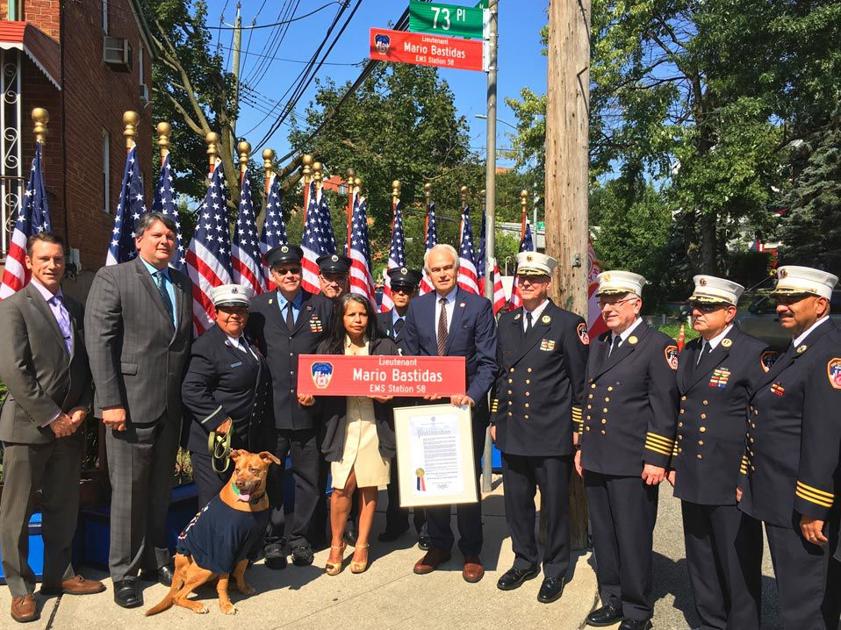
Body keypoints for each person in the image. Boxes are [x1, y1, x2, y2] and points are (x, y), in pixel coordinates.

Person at [85, 212, 193, 609]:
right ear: (139, 239)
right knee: (129, 494)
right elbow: (99, 343)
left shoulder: (180, 282)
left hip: (169, 408)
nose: (165, 241)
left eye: (171, 235)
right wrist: (110, 401)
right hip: (128, 407)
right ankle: (124, 573)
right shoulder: (113, 278)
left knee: (159, 491)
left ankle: (154, 558)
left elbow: (179, 345)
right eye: (157, 235)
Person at [0, 233, 105, 623]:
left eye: (58, 259)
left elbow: (83, 365)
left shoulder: (75, 308)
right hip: (29, 427)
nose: (51, 265)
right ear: (29, 262)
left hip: (70, 427)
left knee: (64, 506)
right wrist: (52, 416)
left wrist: (80, 408)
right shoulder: (13, 307)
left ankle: (59, 575)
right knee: (17, 512)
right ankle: (21, 588)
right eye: (43, 258)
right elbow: (15, 371)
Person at [737, 265, 841, 628]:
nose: (782, 306)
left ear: (820, 305)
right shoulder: (799, 347)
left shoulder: (828, 353)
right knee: (800, 594)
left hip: (801, 504)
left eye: (792, 299)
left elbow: (825, 434)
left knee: (803, 603)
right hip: (781, 495)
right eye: (780, 299)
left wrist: (814, 506)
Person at [575, 270, 679, 630]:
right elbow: (588, 398)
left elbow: (664, 408)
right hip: (599, 456)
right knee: (603, 536)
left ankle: (637, 611)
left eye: (617, 301)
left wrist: (657, 458)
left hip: (633, 461)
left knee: (633, 538)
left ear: (637, 303)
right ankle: (613, 598)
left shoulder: (656, 345)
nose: (608, 307)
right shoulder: (601, 344)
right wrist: (582, 447)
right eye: (604, 301)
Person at [668, 275, 767, 630]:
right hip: (693, 471)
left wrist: (747, 473)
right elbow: (683, 409)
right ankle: (710, 622)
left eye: (707, 307)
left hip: (729, 475)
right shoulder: (692, 351)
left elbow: (761, 421)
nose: (697, 312)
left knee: (736, 561)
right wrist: (674, 460)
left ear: (730, 312)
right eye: (695, 305)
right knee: (701, 558)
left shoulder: (751, 352)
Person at [491, 251, 588, 604]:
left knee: (554, 507)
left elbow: (580, 382)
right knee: (516, 504)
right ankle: (524, 560)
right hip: (514, 428)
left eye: (534, 278)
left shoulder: (567, 323)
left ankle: (556, 567)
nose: (526, 283)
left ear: (547, 283)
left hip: (551, 431)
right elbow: (502, 376)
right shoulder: (507, 321)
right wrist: (495, 417)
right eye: (521, 278)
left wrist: (578, 426)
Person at [403, 243, 497, 583]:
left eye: (448, 268)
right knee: (430, 478)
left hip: (465, 409)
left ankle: (471, 549)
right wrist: (418, 385)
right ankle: (439, 544)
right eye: (436, 270)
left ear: (457, 270)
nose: (442, 274)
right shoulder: (417, 307)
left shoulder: (479, 306)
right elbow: (411, 359)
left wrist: (471, 396)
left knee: (466, 480)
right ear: (428, 274)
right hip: (428, 409)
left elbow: (489, 362)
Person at [247, 244, 333, 568]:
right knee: (271, 479)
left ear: (301, 271)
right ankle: (272, 540)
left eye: (294, 269)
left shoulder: (320, 306)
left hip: (310, 410)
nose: (289, 275)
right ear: (272, 274)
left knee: (309, 479)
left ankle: (300, 539)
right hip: (272, 412)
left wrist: (319, 392)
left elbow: (331, 354)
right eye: (282, 270)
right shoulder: (258, 308)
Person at [304, 293, 400, 575]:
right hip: (342, 427)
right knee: (341, 487)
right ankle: (336, 543)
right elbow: (317, 387)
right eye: (351, 315)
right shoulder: (328, 348)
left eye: (363, 314)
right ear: (341, 319)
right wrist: (310, 398)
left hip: (374, 425)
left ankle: (362, 543)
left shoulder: (384, 346)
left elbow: (399, 385)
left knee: (369, 486)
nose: (358, 320)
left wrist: (388, 396)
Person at [181, 284, 272, 509]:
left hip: (242, 441)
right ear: (216, 313)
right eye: (227, 310)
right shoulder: (206, 346)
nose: (234, 315)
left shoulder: (247, 341)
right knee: (215, 505)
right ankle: (209, 545)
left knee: (238, 503)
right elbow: (191, 389)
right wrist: (218, 419)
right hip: (214, 444)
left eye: (240, 310)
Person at [376, 266, 428, 548]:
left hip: (416, 404)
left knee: (418, 466)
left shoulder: (422, 321)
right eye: (396, 289)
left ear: (415, 292)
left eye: (407, 289)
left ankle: (424, 524)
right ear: (389, 290)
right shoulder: (377, 321)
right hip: (386, 408)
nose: (401, 294)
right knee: (394, 467)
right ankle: (396, 522)